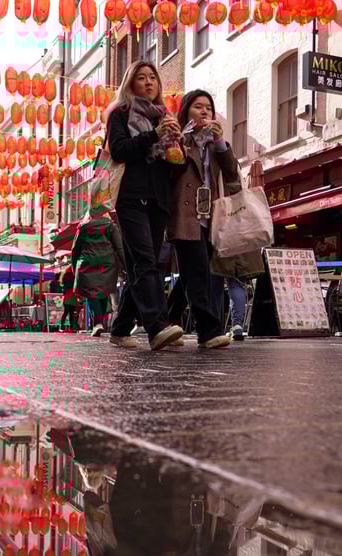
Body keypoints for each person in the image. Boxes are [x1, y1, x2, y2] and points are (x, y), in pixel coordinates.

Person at [105, 61, 185, 351]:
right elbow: (120, 149)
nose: (149, 82)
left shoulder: (165, 116)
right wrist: (154, 135)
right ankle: (157, 327)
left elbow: (176, 166)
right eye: (142, 78)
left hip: (159, 199)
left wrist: (177, 144)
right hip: (131, 196)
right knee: (145, 261)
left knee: (145, 264)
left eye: (153, 77)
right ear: (131, 83)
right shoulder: (121, 114)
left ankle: (120, 327)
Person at [166, 89, 240, 349]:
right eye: (197, 107)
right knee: (199, 273)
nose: (204, 111)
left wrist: (220, 142)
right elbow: (171, 172)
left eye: (208, 107)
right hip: (185, 215)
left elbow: (232, 174)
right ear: (186, 111)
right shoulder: (177, 139)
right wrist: (181, 140)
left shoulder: (214, 144)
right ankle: (208, 331)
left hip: (211, 217)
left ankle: (169, 319)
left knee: (190, 273)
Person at [72, 215, 126, 337]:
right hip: (107, 263)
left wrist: (74, 267)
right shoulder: (111, 226)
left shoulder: (83, 227)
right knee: (103, 291)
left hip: (87, 262)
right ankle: (99, 322)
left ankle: (98, 323)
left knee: (92, 293)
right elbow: (119, 248)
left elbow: (75, 249)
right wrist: (125, 266)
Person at [58, 265, 79, 331]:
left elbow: (63, 287)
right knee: (72, 313)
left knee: (66, 312)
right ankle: (71, 327)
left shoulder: (65, 276)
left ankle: (62, 326)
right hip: (73, 296)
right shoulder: (74, 276)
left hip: (67, 296)